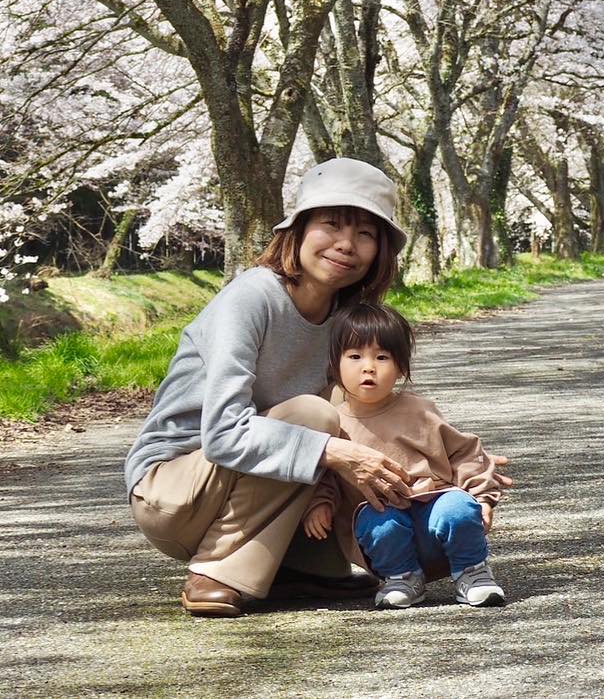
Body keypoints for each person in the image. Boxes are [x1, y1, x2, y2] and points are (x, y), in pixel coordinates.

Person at [125, 157, 429, 618]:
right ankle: (217, 569)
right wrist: (336, 452)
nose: (347, 245)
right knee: (314, 418)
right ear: (299, 230)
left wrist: (446, 466)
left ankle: (297, 564)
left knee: (348, 431)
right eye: (331, 224)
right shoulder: (252, 298)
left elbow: (363, 418)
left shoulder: (345, 321)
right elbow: (225, 434)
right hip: (174, 492)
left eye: (366, 234)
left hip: (254, 494)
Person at [301, 301, 506, 609]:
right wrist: (320, 505)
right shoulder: (335, 423)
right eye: (355, 357)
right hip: (382, 525)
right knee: (379, 522)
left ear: (400, 367)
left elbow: (464, 452)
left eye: (382, 357)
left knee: (457, 506)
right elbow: (327, 474)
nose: (368, 367)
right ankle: (402, 578)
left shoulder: (420, 411)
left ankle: (472, 572)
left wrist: (483, 496)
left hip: (434, 511)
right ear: (335, 364)